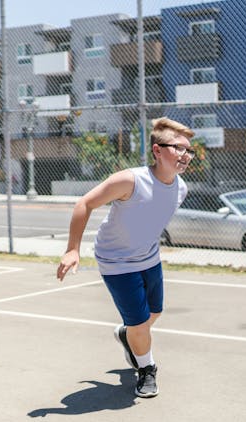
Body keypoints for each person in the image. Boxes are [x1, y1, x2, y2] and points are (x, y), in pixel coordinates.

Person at [56, 117, 195, 398]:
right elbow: (85, 203)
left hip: (149, 258)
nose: (185, 155)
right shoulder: (130, 180)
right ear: (157, 150)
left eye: (189, 150)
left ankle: (127, 334)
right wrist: (73, 248)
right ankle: (147, 369)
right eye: (178, 148)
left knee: (153, 313)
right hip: (117, 262)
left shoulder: (181, 188)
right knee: (141, 325)